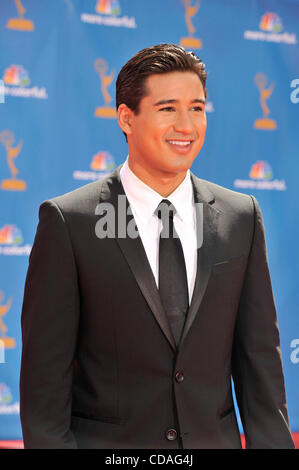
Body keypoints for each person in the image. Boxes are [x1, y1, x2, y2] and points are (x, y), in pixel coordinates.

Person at [20, 43, 294, 449]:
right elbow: (45, 388)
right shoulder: (70, 222)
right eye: (168, 109)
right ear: (126, 118)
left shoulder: (241, 218)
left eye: (197, 108)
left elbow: (261, 371)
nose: (187, 125)